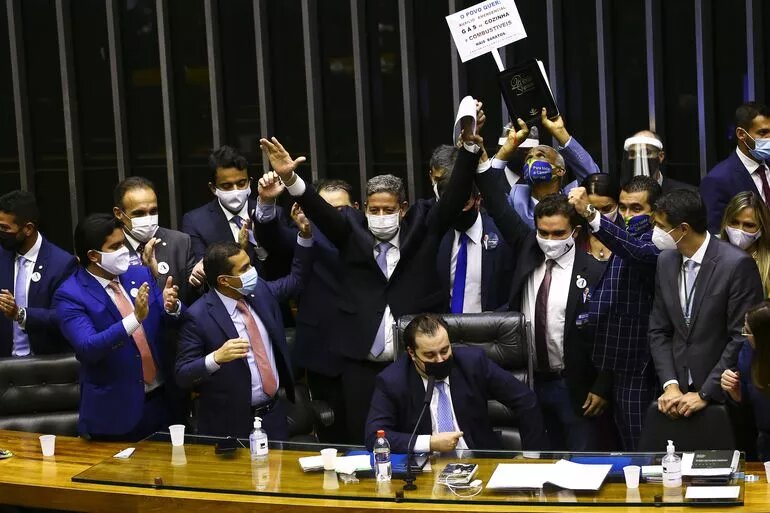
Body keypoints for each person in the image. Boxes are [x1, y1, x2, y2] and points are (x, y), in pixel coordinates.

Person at [258, 115, 481, 444]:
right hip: (360, 363)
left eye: (387, 209)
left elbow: (454, 196)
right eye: (373, 210)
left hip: (412, 363)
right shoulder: (351, 229)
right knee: (365, 438)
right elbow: (319, 210)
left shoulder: (423, 225)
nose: (380, 216)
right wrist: (291, 178)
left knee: (418, 435)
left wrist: (471, 147)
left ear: (402, 208)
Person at [475, 122, 611, 451]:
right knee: (537, 465)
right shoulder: (527, 248)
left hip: (575, 385)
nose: (549, 241)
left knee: (581, 466)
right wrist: (478, 151)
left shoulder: (595, 271)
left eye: (558, 234)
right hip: (529, 382)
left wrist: (603, 385)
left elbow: (611, 330)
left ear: (575, 233)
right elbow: (496, 200)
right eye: (544, 233)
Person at [175, 209, 313, 439]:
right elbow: (182, 374)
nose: (252, 273)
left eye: (249, 265)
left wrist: (305, 237)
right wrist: (215, 358)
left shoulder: (261, 291)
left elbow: (297, 279)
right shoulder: (198, 316)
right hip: (230, 423)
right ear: (224, 280)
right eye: (245, 269)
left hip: (273, 415)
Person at [54, 214, 182, 440]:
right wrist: (135, 319)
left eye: (123, 242)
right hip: (115, 414)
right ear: (93, 255)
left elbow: (164, 318)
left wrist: (172, 307)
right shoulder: (70, 295)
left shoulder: (139, 273)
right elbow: (88, 348)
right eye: (115, 246)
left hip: (162, 402)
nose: (123, 250)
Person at [649, 189, 764, 419]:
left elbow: (740, 336)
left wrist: (705, 393)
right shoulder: (665, 261)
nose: (656, 232)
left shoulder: (736, 264)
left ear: (683, 229)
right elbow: (659, 330)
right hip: (676, 394)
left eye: (662, 227)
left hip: (723, 396)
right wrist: (670, 384)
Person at [568, 176, 662, 450]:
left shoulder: (655, 242)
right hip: (611, 357)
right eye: (622, 208)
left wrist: (589, 213)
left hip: (640, 363)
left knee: (642, 448)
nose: (627, 215)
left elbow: (636, 252)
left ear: (655, 212)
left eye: (636, 208)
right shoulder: (624, 234)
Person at [364, 314, 546, 452]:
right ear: (412, 353)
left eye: (445, 350)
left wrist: (532, 459)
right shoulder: (393, 380)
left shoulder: (473, 363)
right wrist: (429, 443)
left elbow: (526, 400)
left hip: (479, 463)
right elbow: (374, 437)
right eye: (430, 355)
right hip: (425, 470)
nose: (440, 359)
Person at [292, 178, 358, 443]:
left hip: (364, 356)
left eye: (340, 210)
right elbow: (272, 238)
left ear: (356, 208)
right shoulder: (304, 236)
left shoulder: (371, 235)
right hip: (323, 355)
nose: (332, 217)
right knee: (331, 434)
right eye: (324, 209)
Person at [181, 145, 292, 285]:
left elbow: (286, 264)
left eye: (241, 183)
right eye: (227, 186)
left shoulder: (273, 214)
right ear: (213, 188)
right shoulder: (196, 222)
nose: (236, 191)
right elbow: (204, 278)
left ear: (250, 182)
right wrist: (239, 247)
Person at [487, 108, 601, 228]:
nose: (532, 160)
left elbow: (592, 178)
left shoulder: (572, 198)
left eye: (541, 155)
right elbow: (489, 190)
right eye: (528, 157)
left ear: (560, 170)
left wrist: (561, 133)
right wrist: (506, 149)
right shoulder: (515, 199)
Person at [0, 190, 78, 357]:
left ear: (28, 229)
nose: (1, 233)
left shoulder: (62, 264)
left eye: (4, 228)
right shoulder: (2, 255)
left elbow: (64, 315)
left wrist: (20, 314)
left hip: (45, 365)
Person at [435, 169, 514, 313]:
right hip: (444, 330)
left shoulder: (503, 236)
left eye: (463, 203)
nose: (456, 210)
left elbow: (514, 293)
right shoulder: (435, 238)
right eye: (450, 204)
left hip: (491, 329)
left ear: (477, 200)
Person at [113, 177, 197, 304]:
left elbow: (195, 295)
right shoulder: (111, 248)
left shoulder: (179, 242)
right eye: (139, 213)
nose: (148, 219)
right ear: (119, 213)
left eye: (153, 211)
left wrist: (204, 276)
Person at [701, 102, 770, 233]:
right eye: (763, 132)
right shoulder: (717, 180)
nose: (769, 137)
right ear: (741, 134)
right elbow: (716, 236)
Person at [721, 300, 770, 461]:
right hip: (763, 442)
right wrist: (737, 394)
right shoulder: (748, 352)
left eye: (748, 332)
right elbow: (749, 404)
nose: (744, 335)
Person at [719, 191, 770, 296]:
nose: (739, 230)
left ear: (761, 229)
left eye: (749, 225)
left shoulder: (768, 265)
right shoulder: (710, 255)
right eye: (734, 222)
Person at [619, 130, 695, 194]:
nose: (638, 157)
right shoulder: (621, 193)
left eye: (646, 152)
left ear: (660, 156)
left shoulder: (683, 193)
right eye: (632, 153)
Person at [578, 174, 620, 262]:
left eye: (607, 209)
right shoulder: (575, 236)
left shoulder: (629, 237)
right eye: (592, 209)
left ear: (618, 204)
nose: (599, 215)